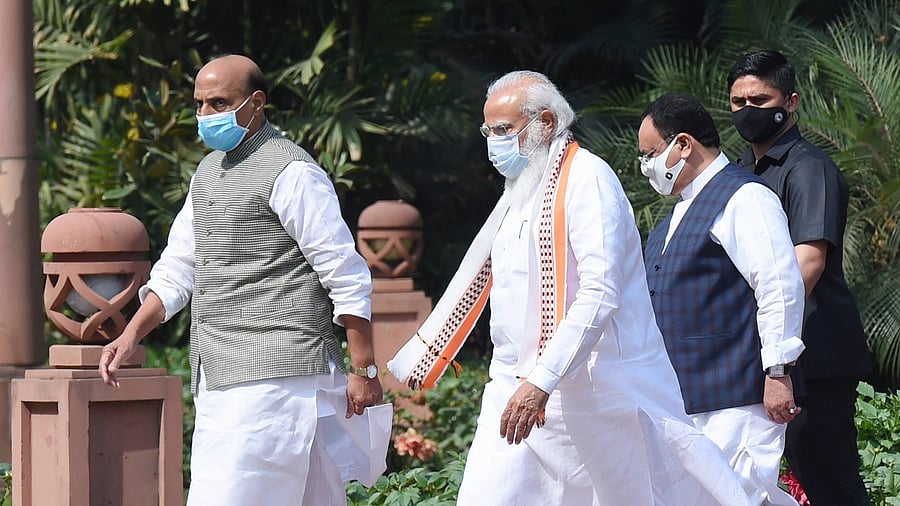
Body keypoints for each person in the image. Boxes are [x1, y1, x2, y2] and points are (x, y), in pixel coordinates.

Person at [389, 71, 755, 505]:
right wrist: (527, 381)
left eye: (503, 130)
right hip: (512, 386)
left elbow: (600, 292)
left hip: (595, 394)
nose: (493, 142)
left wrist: (542, 380)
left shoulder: (588, 179)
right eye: (488, 131)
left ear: (545, 122)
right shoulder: (521, 190)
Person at [98, 54, 391, 506]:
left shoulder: (292, 171)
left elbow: (345, 273)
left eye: (219, 103)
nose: (205, 116)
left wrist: (364, 369)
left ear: (256, 103)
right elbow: (179, 266)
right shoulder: (208, 173)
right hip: (220, 373)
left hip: (281, 377)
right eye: (199, 104)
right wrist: (132, 333)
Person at [640, 93, 806, 505]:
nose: (646, 166)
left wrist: (779, 370)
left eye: (650, 154)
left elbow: (779, 285)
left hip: (739, 397)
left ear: (683, 144)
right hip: (682, 401)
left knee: (742, 496)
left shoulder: (745, 197)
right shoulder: (672, 218)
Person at [728, 49, 873, 506]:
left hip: (814, 357)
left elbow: (806, 264)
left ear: (790, 102)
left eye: (760, 99)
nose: (748, 110)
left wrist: (763, 341)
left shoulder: (808, 169)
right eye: (738, 102)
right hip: (767, 353)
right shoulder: (740, 172)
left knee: (831, 483)